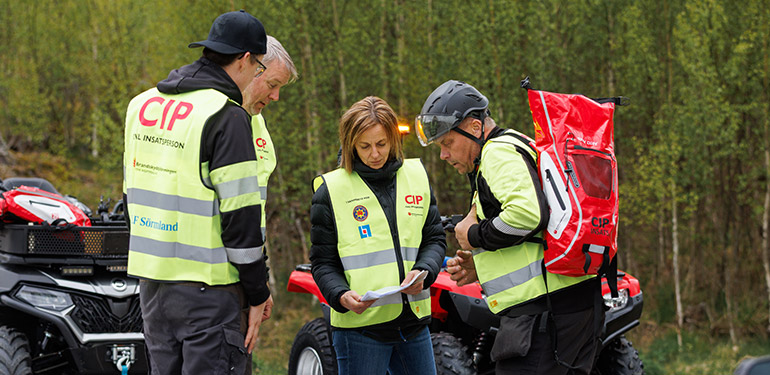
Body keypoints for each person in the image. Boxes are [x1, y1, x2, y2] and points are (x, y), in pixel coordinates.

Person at [415, 80, 604, 375]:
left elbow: (527, 215)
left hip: (544, 315)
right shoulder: (517, 144)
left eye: (447, 143)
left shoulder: (497, 154)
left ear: (474, 127)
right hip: (568, 306)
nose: (444, 156)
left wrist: (473, 235)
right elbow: (538, 235)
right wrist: (483, 265)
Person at [123, 10, 271, 374]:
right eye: (259, 68)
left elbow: (130, 196)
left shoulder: (142, 105)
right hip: (210, 292)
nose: (256, 76)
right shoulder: (226, 115)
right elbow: (241, 219)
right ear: (245, 59)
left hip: (153, 287)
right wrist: (258, 291)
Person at [310, 96, 446, 375]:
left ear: (394, 139)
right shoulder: (330, 191)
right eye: (365, 146)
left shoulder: (417, 177)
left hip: (413, 325)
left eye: (382, 144)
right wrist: (340, 295)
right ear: (350, 145)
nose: (375, 154)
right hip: (360, 330)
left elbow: (434, 239)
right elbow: (323, 262)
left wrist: (425, 270)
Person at [241, 35, 298, 249]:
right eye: (272, 85)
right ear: (249, 70)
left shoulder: (257, 121)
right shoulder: (212, 116)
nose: (276, 96)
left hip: (249, 251)